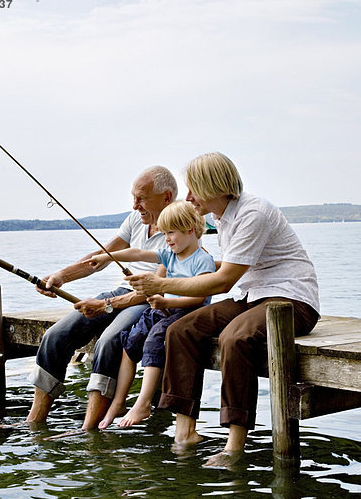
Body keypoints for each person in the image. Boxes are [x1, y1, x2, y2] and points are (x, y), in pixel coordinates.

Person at [125, 152, 320, 468]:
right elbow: (228, 270)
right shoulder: (220, 217)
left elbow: (222, 282)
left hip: (292, 300)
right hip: (252, 296)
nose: (188, 198)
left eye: (194, 190)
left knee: (234, 338)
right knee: (181, 330)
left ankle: (234, 447)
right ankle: (184, 430)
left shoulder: (253, 214)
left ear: (215, 187)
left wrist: (160, 286)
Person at [24, 165, 178, 428]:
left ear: (166, 197)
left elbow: (159, 289)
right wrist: (61, 276)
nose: (134, 205)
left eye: (141, 198)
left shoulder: (181, 229)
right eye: (133, 197)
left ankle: (90, 428)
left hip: (146, 301)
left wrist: (106, 305)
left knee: (108, 341)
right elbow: (100, 258)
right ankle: (34, 421)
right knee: (55, 335)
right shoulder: (136, 221)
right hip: (121, 293)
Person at [83, 201, 215, 430]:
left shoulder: (202, 260)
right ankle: (118, 402)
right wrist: (107, 257)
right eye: (164, 234)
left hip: (188, 312)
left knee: (154, 340)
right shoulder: (169, 254)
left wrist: (165, 300)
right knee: (131, 340)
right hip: (166, 307)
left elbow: (199, 298)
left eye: (171, 233)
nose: (167, 239)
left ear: (190, 230)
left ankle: (143, 403)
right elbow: (138, 252)